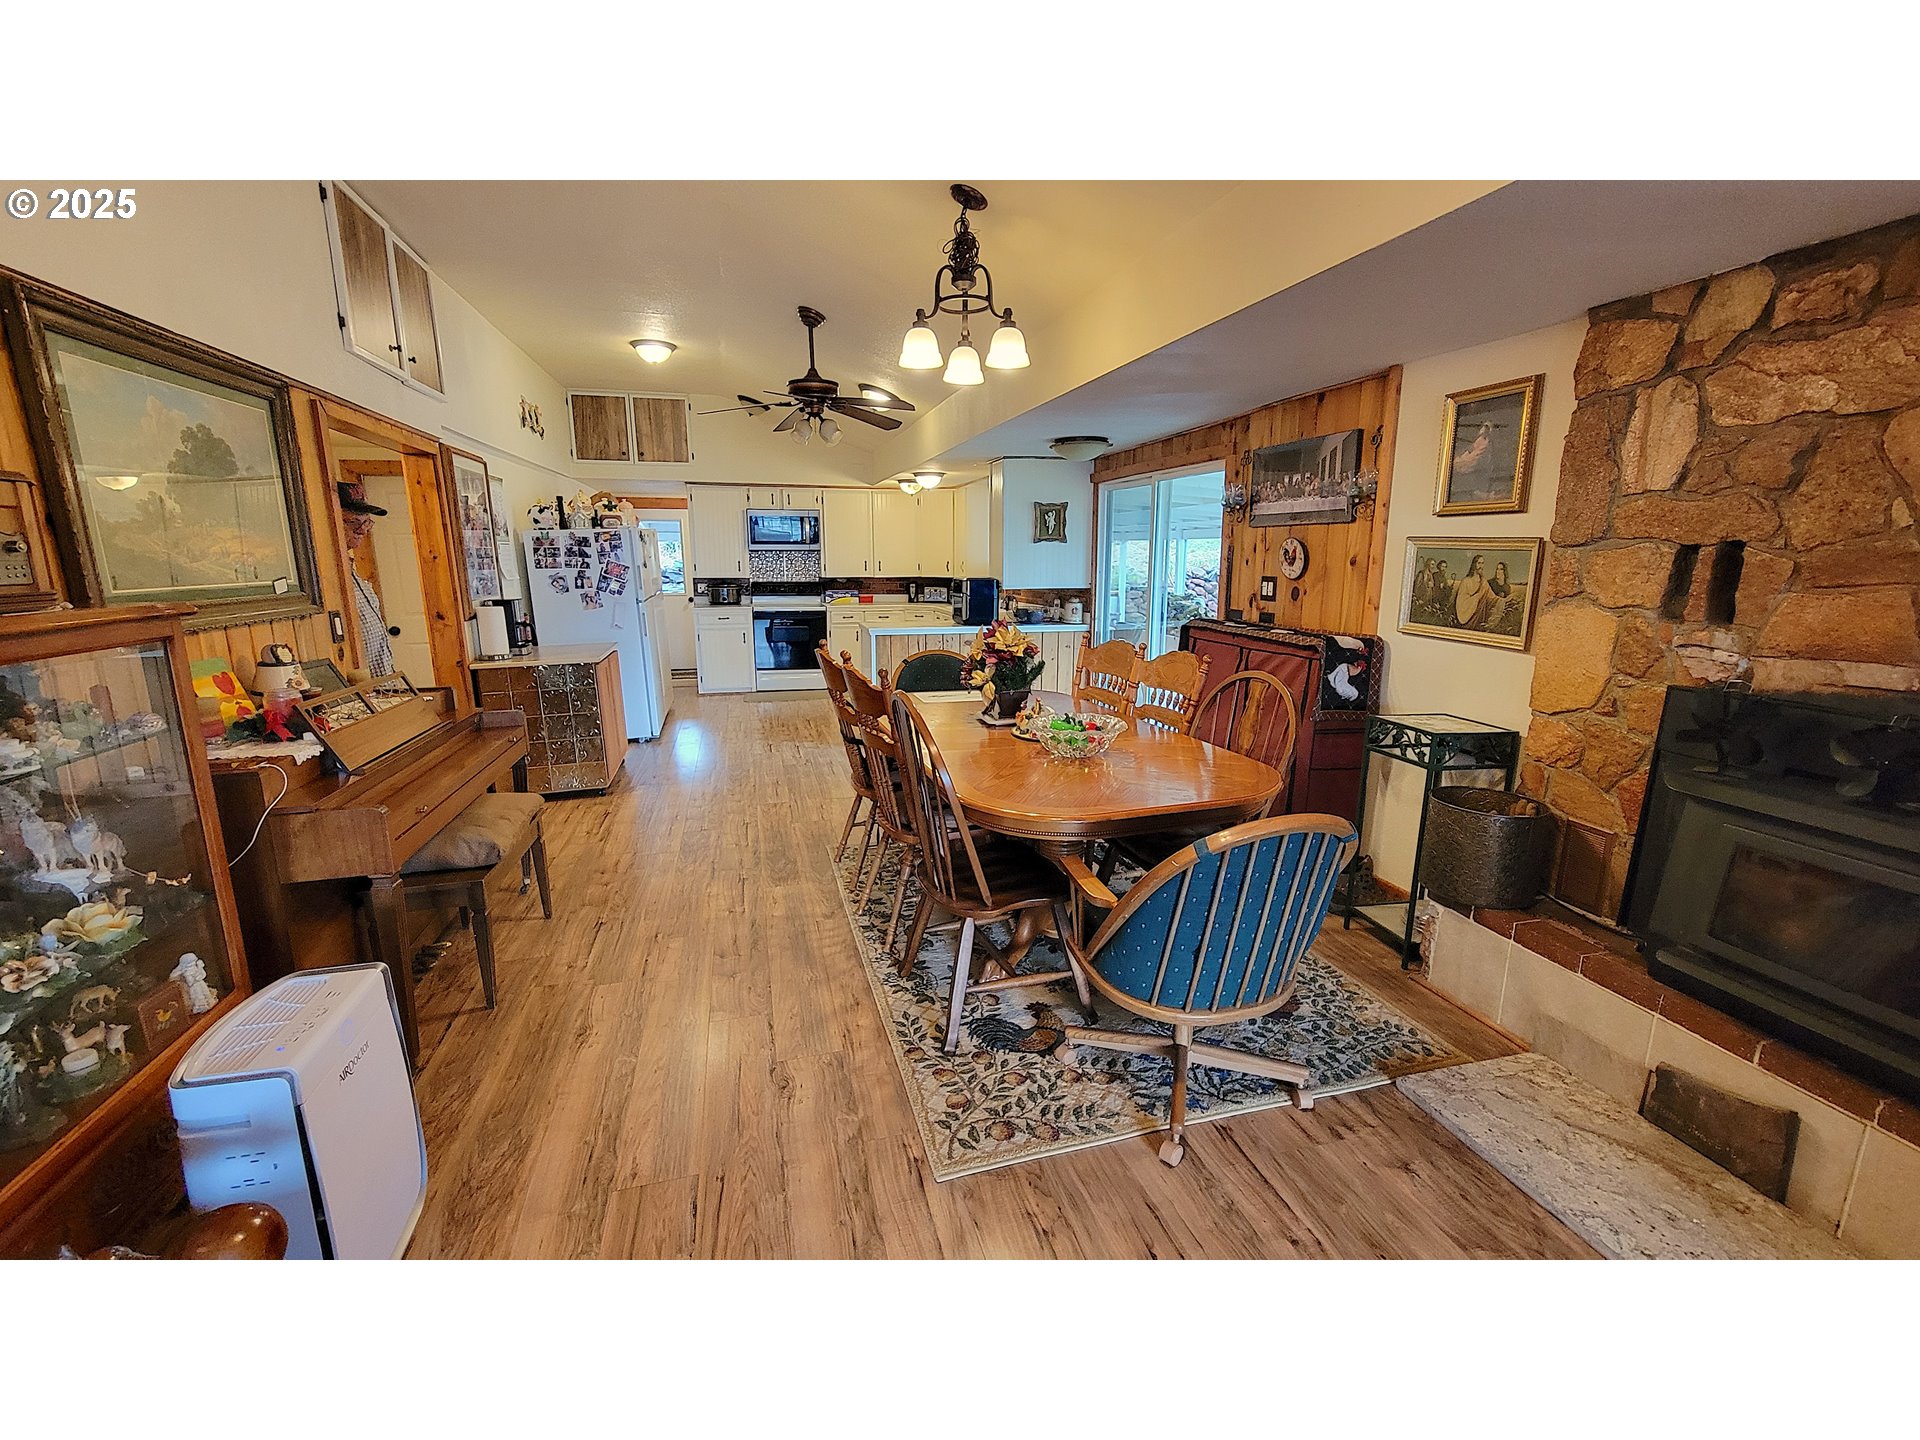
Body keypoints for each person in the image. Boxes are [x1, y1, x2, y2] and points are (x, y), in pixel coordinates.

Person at [338, 481, 395, 678]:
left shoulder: (351, 569)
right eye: (353, 522)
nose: (362, 530)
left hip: (384, 689)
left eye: (366, 522)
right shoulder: (327, 577)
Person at [1454, 553, 1498, 629]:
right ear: (1474, 564)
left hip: (1481, 618)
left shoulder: (1483, 581)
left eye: (1483, 563)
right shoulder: (1466, 581)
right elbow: (1461, 603)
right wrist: (1477, 597)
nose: (1481, 566)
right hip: (1468, 617)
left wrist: (1503, 601)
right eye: (1479, 563)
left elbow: (1492, 597)